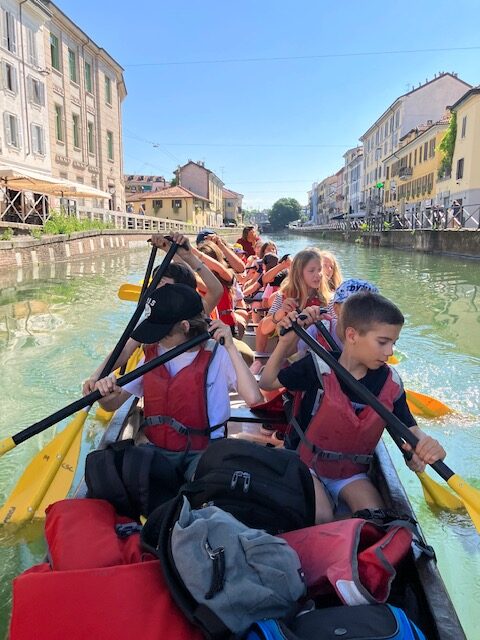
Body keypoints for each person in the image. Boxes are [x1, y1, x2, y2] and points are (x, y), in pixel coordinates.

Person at [259, 292, 446, 524]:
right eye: (383, 342)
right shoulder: (317, 365)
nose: (390, 352)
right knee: (322, 516)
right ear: (352, 335)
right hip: (307, 465)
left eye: (393, 343)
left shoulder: (390, 383)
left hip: (350, 473)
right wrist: (285, 341)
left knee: (375, 520)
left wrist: (427, 447)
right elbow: (266, 383)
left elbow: (412, 430)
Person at [92, 284, 263, 482]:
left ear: (185, 326)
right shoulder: (154, 353)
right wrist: (105, 395)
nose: (156, 338)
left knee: (199, 489)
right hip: (158, 450)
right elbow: (113, 404)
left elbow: (254, 397)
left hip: (203, 452)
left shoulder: (218, 353)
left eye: (163, 332)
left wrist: (231, 347)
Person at [82, 232, 223, 395]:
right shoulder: (155, 316)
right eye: (156, 285)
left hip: (195, 388)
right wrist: (97, 376)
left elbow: (215, 289)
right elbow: (125, 349)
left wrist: (185, 255)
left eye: (164, 287)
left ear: (182, 292)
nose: (157, 292)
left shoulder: (193, 310)